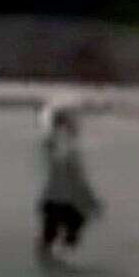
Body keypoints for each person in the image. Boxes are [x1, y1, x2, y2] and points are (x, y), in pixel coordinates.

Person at [36, 104, 102, 262]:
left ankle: (52, 255)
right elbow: (74, 175)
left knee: (61, 228)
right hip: (60, 198)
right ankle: (52, 255)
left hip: (58, 198)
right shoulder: (61, 149)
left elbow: (77, 176)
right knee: (63, 227)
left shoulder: (67, 148)